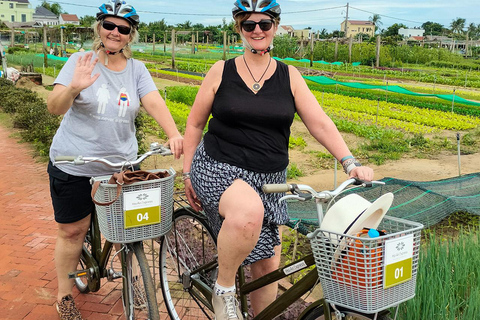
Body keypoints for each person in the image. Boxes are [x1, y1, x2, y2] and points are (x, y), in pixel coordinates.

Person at [182, 0, 374, 319]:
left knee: (269, 264)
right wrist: (187, 172)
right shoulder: (221, 71)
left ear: (275, 27)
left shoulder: (290, 76)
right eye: (249, 25)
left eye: (264, 24)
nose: (257, 30)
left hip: (270, 179)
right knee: (247, 214)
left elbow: (320, 123)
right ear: (239, 29)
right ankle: (224, 290)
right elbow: (194, 124)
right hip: (219, 167)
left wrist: (349, 162)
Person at [46, 1, 183, 319]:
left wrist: (173, 133)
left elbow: (152, 101)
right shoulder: (80, 62)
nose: (115, 32)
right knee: (72, 232)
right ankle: (64, 294)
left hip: (122, 169)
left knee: (132, 229)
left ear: (130, 35)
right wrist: (74, 88)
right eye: (109, 25)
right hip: (74, 162)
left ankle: (133, 281)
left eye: (123, 29)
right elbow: (54, 106)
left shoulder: (137, 70)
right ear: (99, 27)